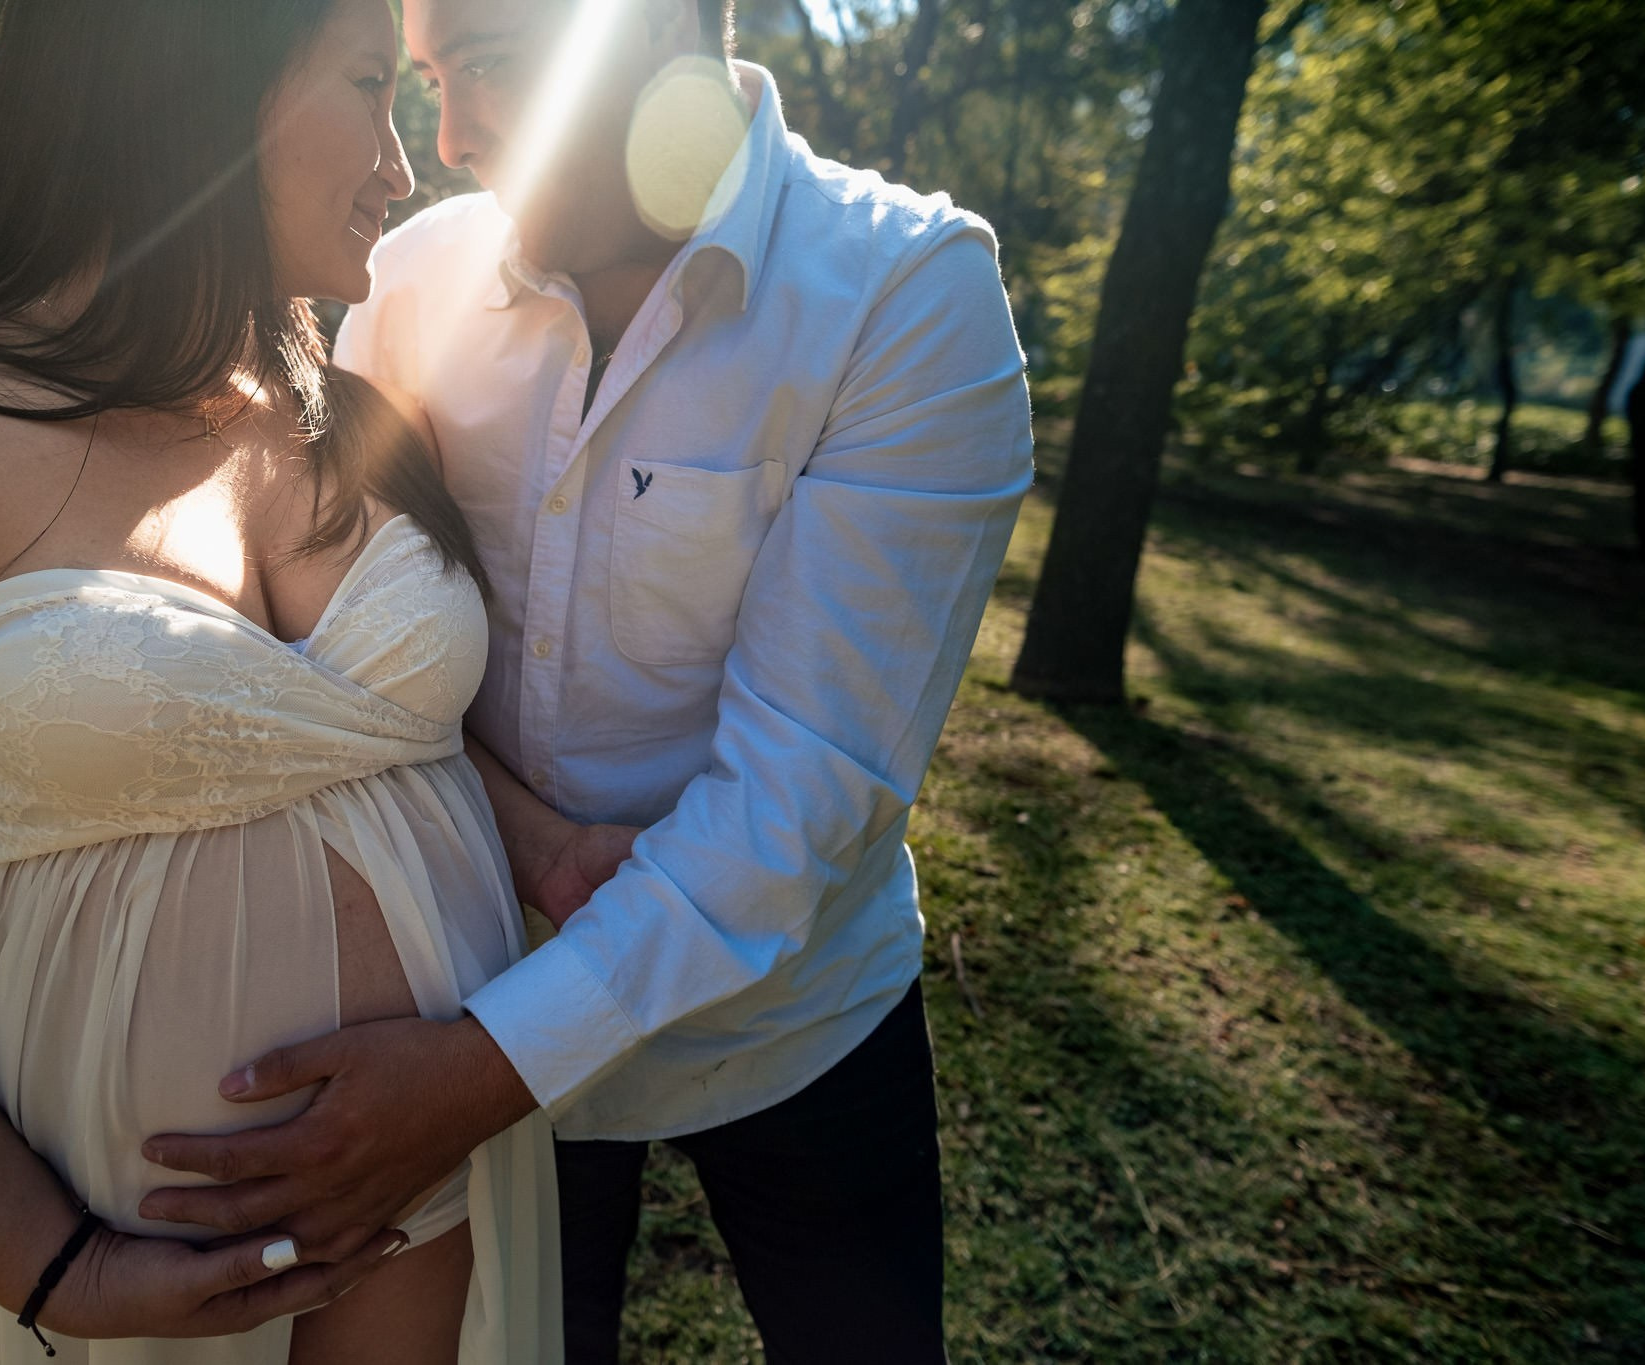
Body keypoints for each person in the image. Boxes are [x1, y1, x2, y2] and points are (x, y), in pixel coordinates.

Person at [0, 0, 587, 1359]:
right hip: (129, 1261)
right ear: (191, 75)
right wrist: (62, 1267)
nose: (401, 163)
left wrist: (547, 849)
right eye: (370, 84)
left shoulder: (361, 420)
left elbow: (400, 745)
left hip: (451, 1202)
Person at [130, 0, 1035, 1357]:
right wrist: (529, 862)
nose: (448, 140)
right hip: (479, 966)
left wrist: (475, 1075)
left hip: (794, 1019)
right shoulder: (414, 283)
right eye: (429, 78)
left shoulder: (906, 294)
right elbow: (353, 660)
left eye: (491, 65)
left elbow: (803, 793)